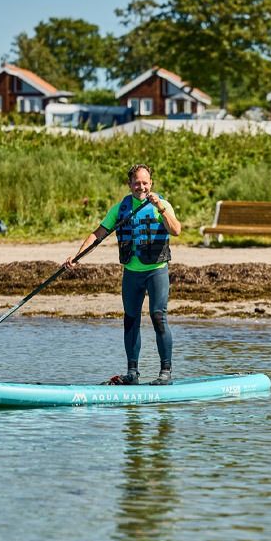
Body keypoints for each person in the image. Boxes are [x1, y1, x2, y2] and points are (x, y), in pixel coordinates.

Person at [65, 164, 182, 385]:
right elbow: (97, 234)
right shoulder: (120, 209)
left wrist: (161, 208)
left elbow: (176, 230)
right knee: (130, 320)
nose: (141, 187)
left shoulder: (161, 205)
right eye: (137, 183)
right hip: (132, 274)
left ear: (151, 184)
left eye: (145, 182)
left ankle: (165, 372)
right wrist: (76, 256)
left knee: (158, 317)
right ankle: (132, 373)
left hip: (156, 271)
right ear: (130, 184)